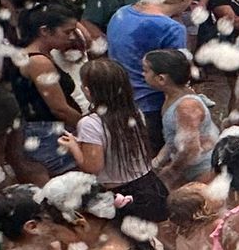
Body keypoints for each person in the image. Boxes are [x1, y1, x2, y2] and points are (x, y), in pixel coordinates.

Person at [59, 58, 168, 223]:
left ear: (87, 91)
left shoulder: (90, 123)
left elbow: (93, 167)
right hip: (150, 185)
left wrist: (74, 147)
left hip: (122, 194)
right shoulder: (134, 112)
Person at [107, 0, 195, 153]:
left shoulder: (121, 13)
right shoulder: (171, 28)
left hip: (117, 100)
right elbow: (175, 77)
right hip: (151, 106)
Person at [10, 4, 83, 178]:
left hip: (47, 130)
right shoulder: (39, 62)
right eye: (67, 32)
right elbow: (59, 108)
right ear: (44, 31)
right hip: (48, 134)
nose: (72, 37)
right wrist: (88, 126)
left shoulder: (40, 55)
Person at [145, 49, 220, 185]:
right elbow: (173, 139)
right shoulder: (173, 95)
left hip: (202, 172)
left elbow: (190, 150)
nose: (142, 74)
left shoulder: (186, 107)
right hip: (188, 168)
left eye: (145, 71)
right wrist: (156, 163)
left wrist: (171, 172)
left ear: (161, 79)